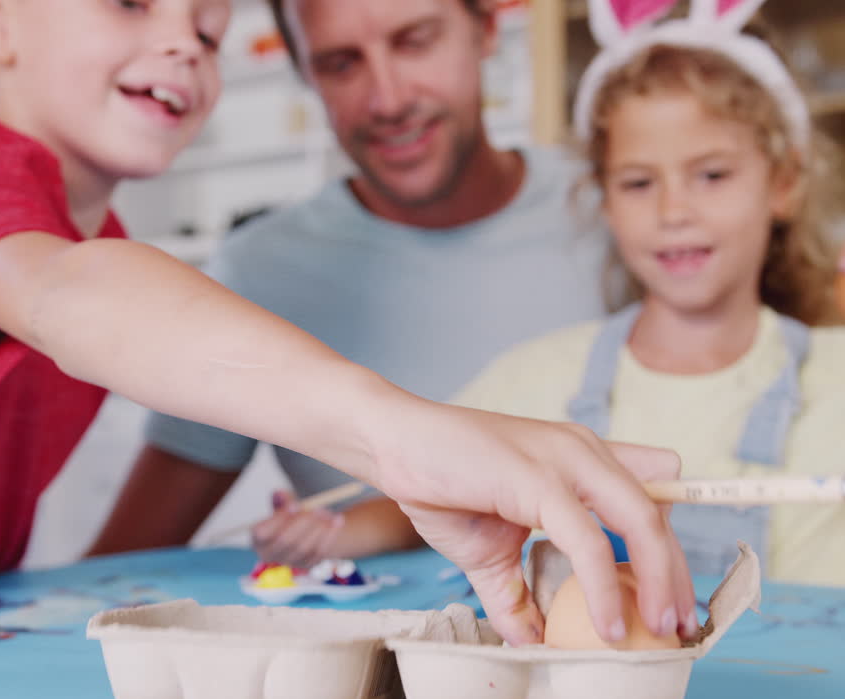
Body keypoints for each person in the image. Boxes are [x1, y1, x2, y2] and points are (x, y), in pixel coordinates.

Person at [0, 0, 697, 646]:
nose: (180, 38)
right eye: (133, 2)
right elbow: (67, 295)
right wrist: (403, 432)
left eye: (207, 29)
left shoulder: (108, 237)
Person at [453, 0, 845, 587]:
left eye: (712, 175)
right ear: (603, 199)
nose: (674, 211)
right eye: (638, 182)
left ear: (782, 184)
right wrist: (336, 532)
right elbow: (417, 494)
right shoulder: (536, 379)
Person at [91, 0, 613, 570]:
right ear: (304, 76)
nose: (387, 101)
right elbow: (118, 568)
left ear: (486, 27)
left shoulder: (625, 218)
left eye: (415, 41)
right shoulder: (258, 274)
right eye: (341, 63)